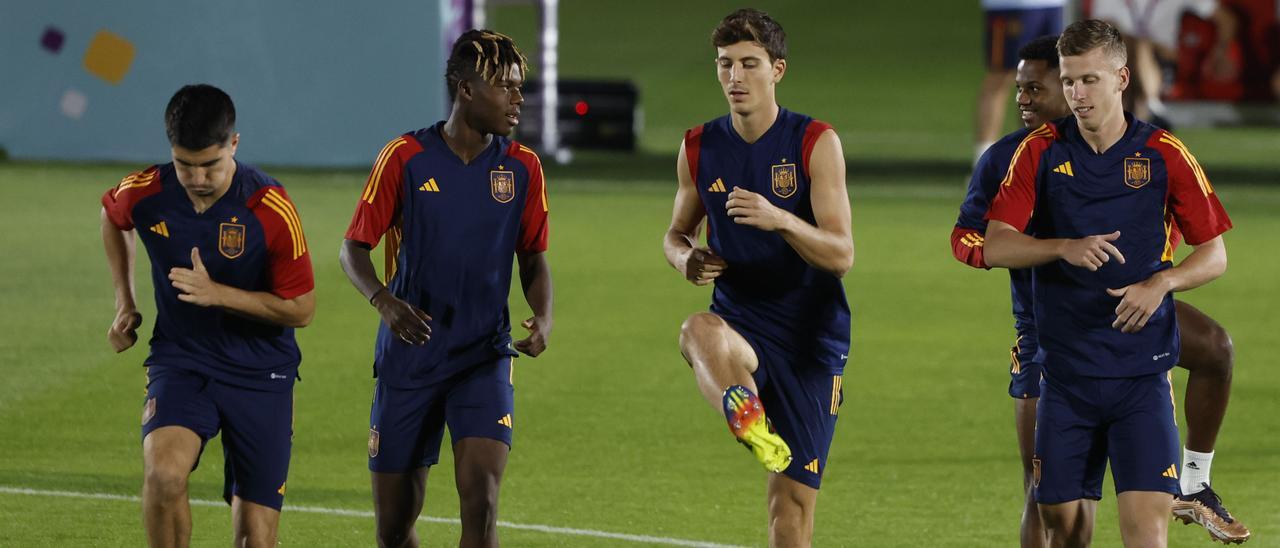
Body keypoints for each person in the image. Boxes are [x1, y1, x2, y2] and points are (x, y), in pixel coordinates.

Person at [952, 35, 1249, 546]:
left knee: (1147, 530)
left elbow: (1214, 253)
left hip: (1140, 374)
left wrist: (1162, 281)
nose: (1077, 93)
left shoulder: (1163, 154)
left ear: (1121, 79)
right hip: (1062, 372)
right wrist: (1062, 247)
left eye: (1088, 79)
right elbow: (990, 244)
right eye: (1069, 81)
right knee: (1059, 524)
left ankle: (1196, 482)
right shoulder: (1031, 154)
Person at [338, 29, 553, 548]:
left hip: (483, 354)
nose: (519, 99)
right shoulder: (405, 157)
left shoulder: (522, 166)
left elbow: (533, 257)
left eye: (520, 88)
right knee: (394, 527)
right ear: (466, 90)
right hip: (410, 359)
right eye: (506, 87)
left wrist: (543, 315)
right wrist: (385, 303)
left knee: (480, 497)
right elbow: (353, 249)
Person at [662, 9, 853, 546]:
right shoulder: (699, 147)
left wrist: (781, 218)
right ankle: (747, 417)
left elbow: (841, 255)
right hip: (741, 323)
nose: (735, 78)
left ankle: (762, 429)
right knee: (697, 330)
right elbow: (675, 233)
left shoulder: (815, 142)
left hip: (811, 339)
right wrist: (686, 259)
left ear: (778, 70)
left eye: (749, 64)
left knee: (789, 510)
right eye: (725, 65)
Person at [100, 84, 316, 547]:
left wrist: (219, 294)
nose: (197, 178)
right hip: (183, 360)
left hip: (262, 372)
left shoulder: (270, 207)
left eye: (210, 165)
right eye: (185, 165)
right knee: (162, 476)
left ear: (233, 144)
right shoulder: (147, 192)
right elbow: (112, 218)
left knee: (255, 538)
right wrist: (125, 302)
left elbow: (302, 309)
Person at [974, 0, 1066, 162]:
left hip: (1053, 4)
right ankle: (982, 160)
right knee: (1001, 76)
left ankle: (1032, 155)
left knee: (1044, 78)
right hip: (1010, 5)